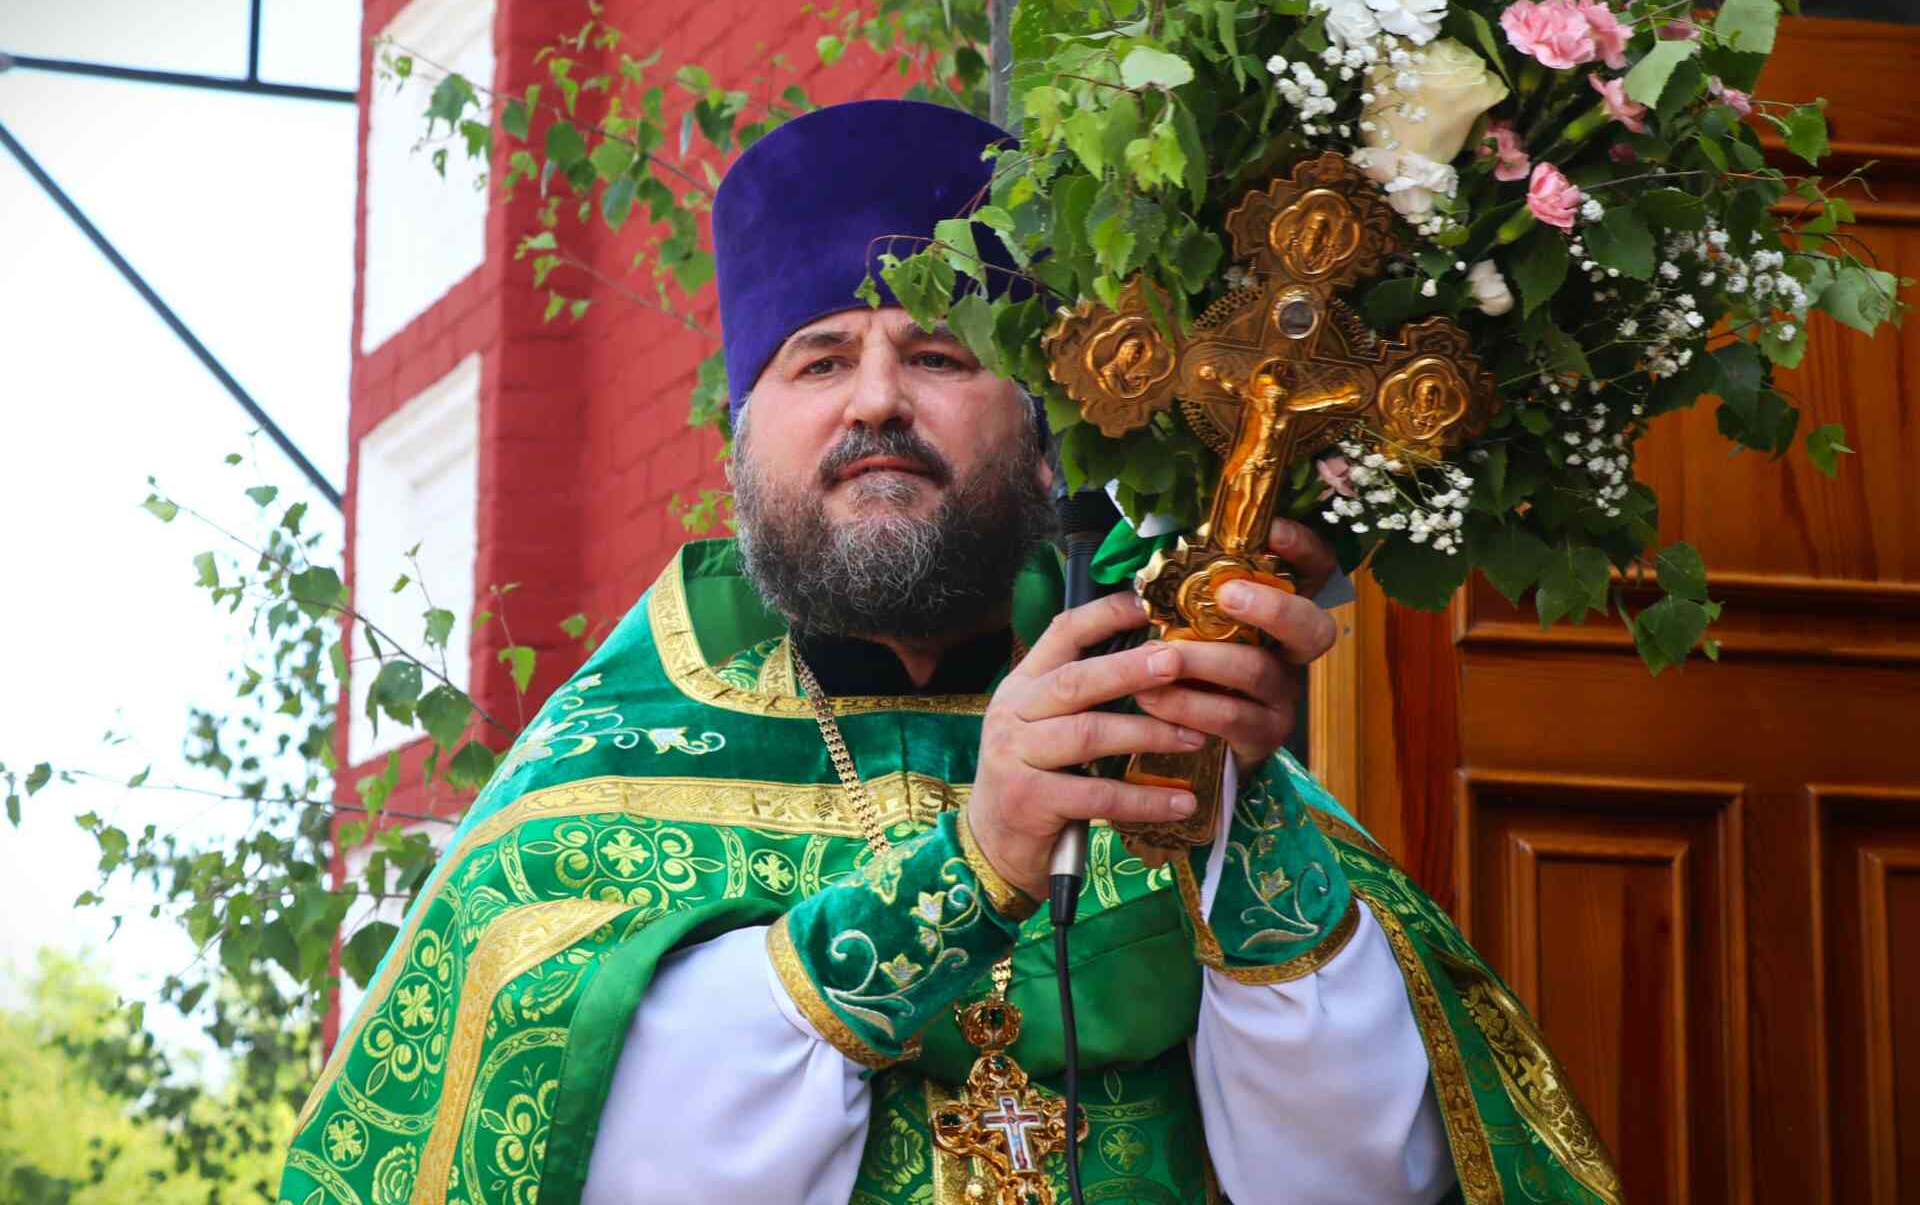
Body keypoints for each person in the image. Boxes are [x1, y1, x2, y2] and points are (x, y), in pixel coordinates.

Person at [279, 100, 1619, 1205]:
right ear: (741, 438)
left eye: (935, 354)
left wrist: (1232, 822)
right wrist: (972, 868)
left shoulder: (1158, 706)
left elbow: (1364, 1178)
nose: (877, 401)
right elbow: (587, 1157)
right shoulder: (602, 771)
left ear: (1036, 430)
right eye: (819, 362)